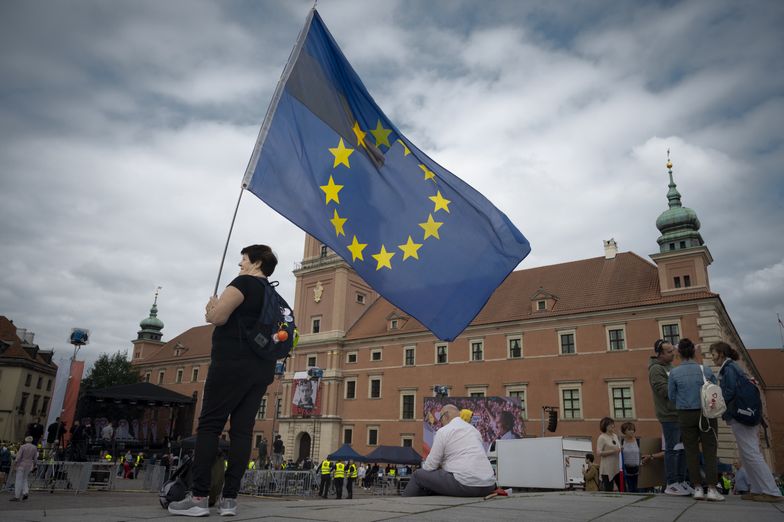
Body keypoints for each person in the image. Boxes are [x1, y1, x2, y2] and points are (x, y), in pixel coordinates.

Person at [168, 245, 279, 517]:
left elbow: (218, 317)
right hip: (261, 368)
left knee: (209, 426)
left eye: (243, 259)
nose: (240, 264)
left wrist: (211, 309)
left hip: (231, 364)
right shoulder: (272, 293)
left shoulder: (243, 283)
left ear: (256, 262)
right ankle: (229, 500)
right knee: (242, 431)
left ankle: (199, 498)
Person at [710, 341, 782, 503]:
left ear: (721, 354)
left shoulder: (728, 369)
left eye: (713, 354)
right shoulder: (734, 367)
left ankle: (771, 490)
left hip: (740, 415)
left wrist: (716, 402)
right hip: (747, 414)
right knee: (747, 453)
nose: (713, 358)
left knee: (750, 452)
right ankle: (757, 489)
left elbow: (729, 393)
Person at [668, 338, 723, 501]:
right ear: (693, 352)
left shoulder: (674, 373)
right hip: (706, 414)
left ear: (679, 353)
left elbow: (671, 396)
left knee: (691, 452)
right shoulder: (705, 370)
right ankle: (712, 489)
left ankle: (697, 488)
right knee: (710, 450)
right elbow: (715, 390)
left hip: (685, 414)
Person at [402, 404, 496, 497]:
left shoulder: (443, 431)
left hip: (466, 484)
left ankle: (403, 506)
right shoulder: (474, 431)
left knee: (418, 475)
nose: (441, 422)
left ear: (446, 415)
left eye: (441, 418)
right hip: (488, 485)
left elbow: (430, 466)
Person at [648, 339, 690, 496]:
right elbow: (663, 390)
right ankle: (672, 483)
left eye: (673, 351)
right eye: (669, 352)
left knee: (683, 449)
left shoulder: (671, 367)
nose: (673, 354)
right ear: (659, 354)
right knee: (672, 450)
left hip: (679, 412)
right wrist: (684, 386)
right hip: (668, 414)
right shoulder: (656, 369)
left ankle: (681, 481)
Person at [9, 436, 37, 501]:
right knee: (25, 479)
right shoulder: (34, 447)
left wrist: (15, 464)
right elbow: (35, 459)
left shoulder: (23, 447)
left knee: (18, 480)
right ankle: (25, 492)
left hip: (21, 465)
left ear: (25, 440)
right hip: (29, 465)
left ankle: (17, 496)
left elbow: (18, 457)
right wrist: (35, 465)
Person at [596, 417, 621, 492]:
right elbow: (598, 452)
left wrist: (620, 449)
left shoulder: (615, 436)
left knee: (622, 489)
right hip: (607, 469)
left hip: (616, 467)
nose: (613, 426)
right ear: (605, 426)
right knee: (609, 491)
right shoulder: (602, 437)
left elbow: (617, 448)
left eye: (613, 424)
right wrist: (613, 451)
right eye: (610, 425)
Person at [620, 422, 640, 493]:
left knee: (638, 489)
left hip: (638, 469)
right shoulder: (622, 442)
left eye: (632, 429)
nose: (632, 431)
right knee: (630, 490)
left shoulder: (638, 441)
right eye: (629, 430)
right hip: (626, 469)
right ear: (624, 431)